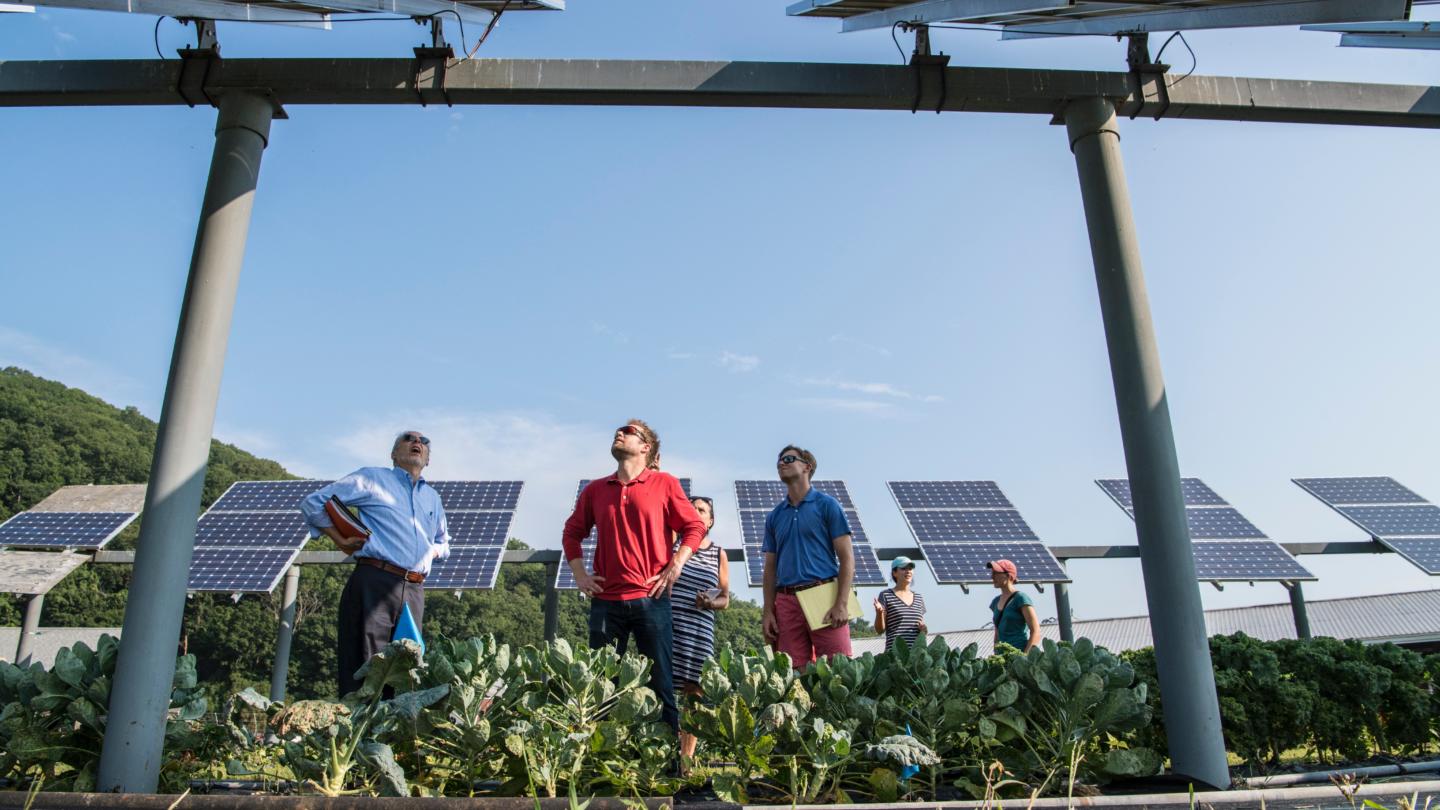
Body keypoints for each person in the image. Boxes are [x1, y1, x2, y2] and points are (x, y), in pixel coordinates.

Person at [562, 419, 707, 734]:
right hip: (605, 602)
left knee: (661, 684)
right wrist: (580, 575)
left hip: (651, 600)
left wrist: (677, 563)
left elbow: (694, 527)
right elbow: (572, 532)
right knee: (600, 686)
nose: (620, 432)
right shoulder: (595, 490)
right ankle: (602, 764)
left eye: (629, 431)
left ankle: (667, 769)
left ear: (645, 447)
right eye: (619, 430)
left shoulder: (665, 483)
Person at [300, 430, 449, 697]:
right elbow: (314, 502)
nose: (417, 442)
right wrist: (340, 540)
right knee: (367, 667)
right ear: (393, 454)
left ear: (427, 459)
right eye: (408, 438)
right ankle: (362, 733)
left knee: (407, 671)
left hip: (414, 590)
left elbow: (443, 542)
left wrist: (430, 553)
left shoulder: (432, 498)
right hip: (375, 580)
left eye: (423, 442)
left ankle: (392, 736)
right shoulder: (372, 479)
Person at [761, 444, 855, 669]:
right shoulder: (774, 516)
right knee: (793, 673)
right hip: (786, 601)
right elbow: (770, 570)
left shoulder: (828, 505)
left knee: (836, 669)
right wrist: (767, 612)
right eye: (779, 461)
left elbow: (847, 558)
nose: (781, 464)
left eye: (789, 459)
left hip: (824, 595)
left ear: (807, 467)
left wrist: (841, 603)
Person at [670, 495, 728, 767]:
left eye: (702, 509)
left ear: (711, 520)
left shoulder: (718, 553)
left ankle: (686, 760)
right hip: (669, 624)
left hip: (699, 629)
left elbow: (725, 598)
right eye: (692, 508)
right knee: (665, 687)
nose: (696, 512)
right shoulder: (671, 544)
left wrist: (710, 602)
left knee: (695, 693)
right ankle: (663, 752)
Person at [873, 555, 927, 652]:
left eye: (910, 568)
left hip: (915, 655)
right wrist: (879, 613)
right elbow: (879, 630)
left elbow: (921, 626)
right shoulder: (886, 595)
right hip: (895, 654)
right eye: (903, 568)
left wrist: (924, 630)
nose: (908, 571)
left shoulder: (919, 597)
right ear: (894, 573)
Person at [987, 559, 1040, 653]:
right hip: (1002, 658)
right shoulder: (995, 602)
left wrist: (1025, 657)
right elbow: (997, 633)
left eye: (996, 573)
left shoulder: (1021, 598)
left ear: (1008, 576)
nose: (992, 576)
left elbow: (1036, 631)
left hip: (1018, 655)